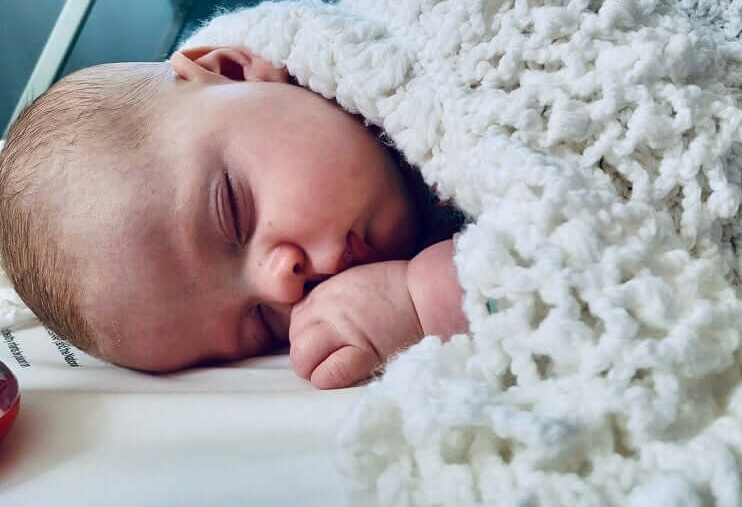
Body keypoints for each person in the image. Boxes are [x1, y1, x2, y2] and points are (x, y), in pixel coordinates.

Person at [0, 45, 470, 389]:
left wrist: (427, 294)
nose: (281, 285)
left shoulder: (452, 59)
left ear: (232, 70)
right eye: (262, 323)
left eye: (233, 212)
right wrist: (409, 299)